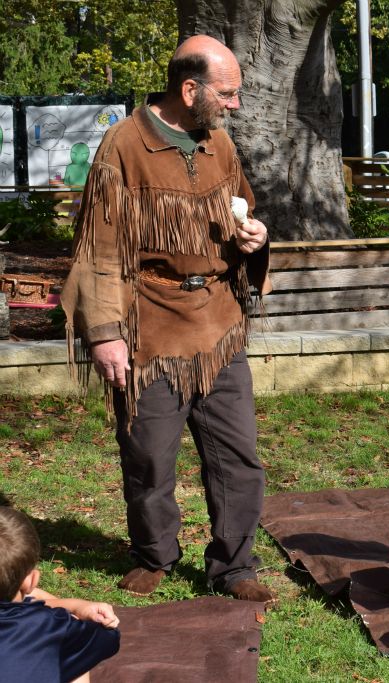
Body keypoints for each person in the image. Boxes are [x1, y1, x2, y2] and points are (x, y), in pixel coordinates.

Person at [60, 35, 274, 603]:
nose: (233, 106)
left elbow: (241, 214)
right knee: (149, 453)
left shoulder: (219, 146)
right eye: (226, 94)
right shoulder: (124, 145)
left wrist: (254, 238)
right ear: (189, 88)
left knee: (237, 455)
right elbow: (99, 249)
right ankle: (155, 554)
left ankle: (234, 566)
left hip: (219, 323)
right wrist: (105, 334)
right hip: (149, 323)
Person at [0, 507, 121, 682]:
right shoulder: (52, 627)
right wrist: (77, 610)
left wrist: (76, 606)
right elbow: (108, 638)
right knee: (72, 655)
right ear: (32, 580)